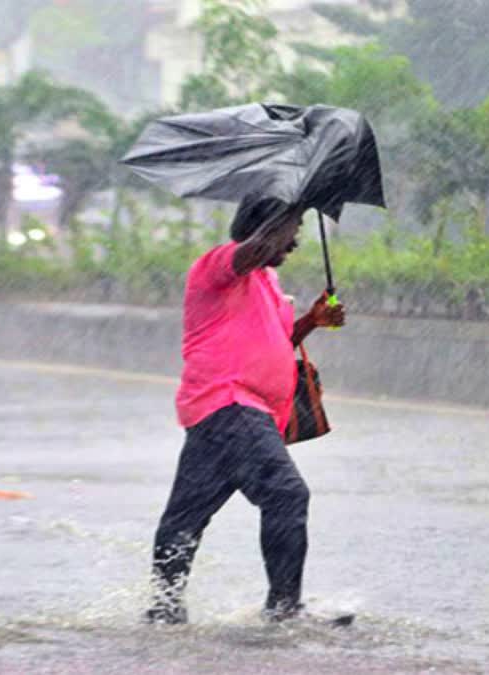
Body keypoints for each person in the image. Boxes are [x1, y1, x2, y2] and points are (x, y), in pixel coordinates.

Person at [146, 197, 346, 625]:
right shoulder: (216, 266)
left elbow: (274, 342)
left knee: (185, 516)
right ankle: (284, 609)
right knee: (287, 494)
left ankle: (164, 609)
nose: (293, 245)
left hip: (223, 415)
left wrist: (312, 320)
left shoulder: (268, 283)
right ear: (265, 228)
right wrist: (299, 202)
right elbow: (254, 249)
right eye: (289, 234)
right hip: (232, 403)